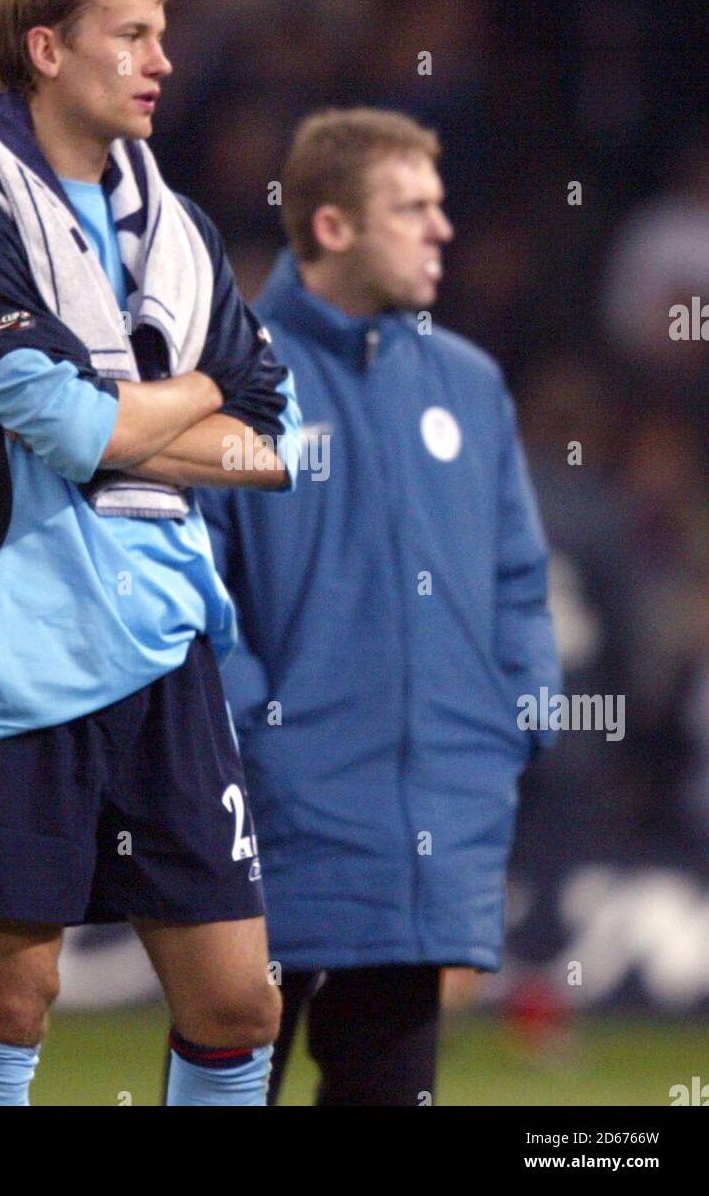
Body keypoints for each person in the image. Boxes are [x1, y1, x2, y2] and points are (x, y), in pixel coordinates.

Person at [0, 0, 301, 1108]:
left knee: (237, 1005)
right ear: (47, 48)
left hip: (165, 653)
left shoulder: (179, 231)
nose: (162, 59)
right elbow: (75, 435)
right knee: (9, 997)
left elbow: (278, 448)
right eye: (134, 34)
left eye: (163, 35)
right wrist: (203, 388)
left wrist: (145, 410)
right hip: (12, 653)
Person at [200, 108, 561, 1105]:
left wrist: (512, 721)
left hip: (428, 819)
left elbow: (518, 588)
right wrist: (256, 739)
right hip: (274, 817)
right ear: (330, 226)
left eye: (437, 206)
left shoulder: (470, 384)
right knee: (226, 1084)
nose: (442, 228)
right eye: (412, 209)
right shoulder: (237, 378)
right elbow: (193, 589)